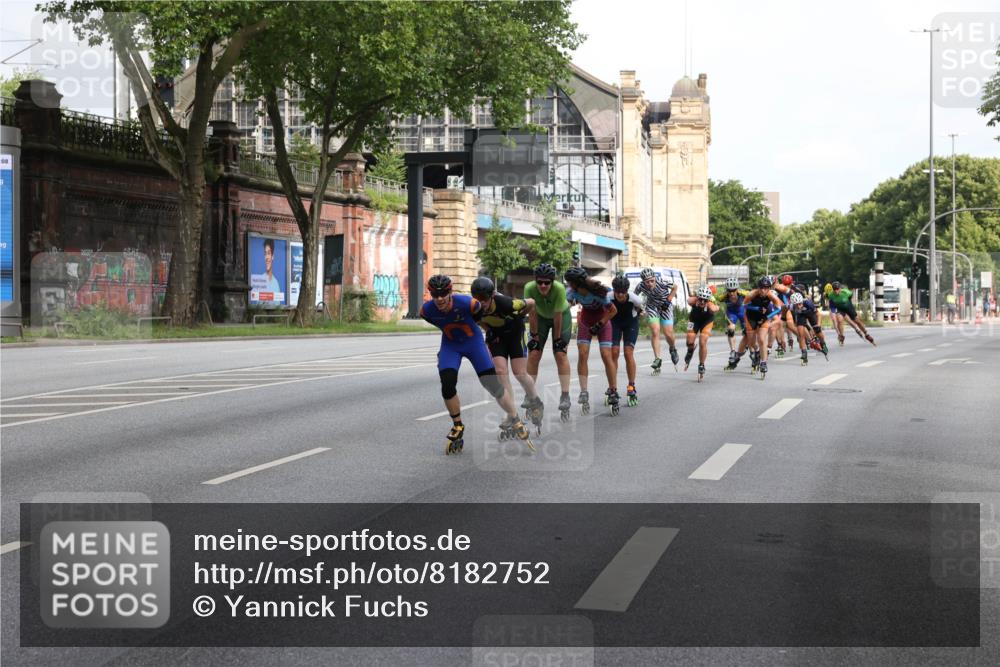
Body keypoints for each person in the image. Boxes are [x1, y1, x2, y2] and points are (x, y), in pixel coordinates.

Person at [420, 274, 532, 454]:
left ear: (450, 292)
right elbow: (441, 323)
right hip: (451, 346)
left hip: (474, 344)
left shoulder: (469, 304)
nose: (439, 299)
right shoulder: (426, 311)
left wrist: (491, 332)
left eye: (443, 294)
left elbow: (482, 319)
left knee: (493, 386)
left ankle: (515, 418)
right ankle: (457, 426)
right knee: (447, 384)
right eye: (435, 295)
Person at [471, 276, 545, 434]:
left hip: (515, 333)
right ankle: (512, 414)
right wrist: (488, 330)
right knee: (500, 372)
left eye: (484, 298)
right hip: (498, 337)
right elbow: (479, 321)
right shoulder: (475, 308)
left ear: (492, 296)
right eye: (477, 298)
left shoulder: (505, 303)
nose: (481, 302)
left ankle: (535, 401)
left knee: (520, 373)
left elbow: (531, 302)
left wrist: (520, 315)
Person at [564, 267, 618, 415]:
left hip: (603, 321)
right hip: (586, 322)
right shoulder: (571, 292)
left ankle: (613, 390)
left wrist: (600, 324)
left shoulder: (598, 292)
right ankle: (584, 391)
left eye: (569, 282)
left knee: (606, 355)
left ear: (576, 283)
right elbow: (564, 308)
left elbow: (613, 311)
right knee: (582, 354)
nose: (568, 285)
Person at [524, 263, 574, 421]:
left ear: (552, 282)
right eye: (540, 282)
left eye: (547, 282)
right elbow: (531, 313)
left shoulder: (559, 289)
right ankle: (530, 394)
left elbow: (558, 316)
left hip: (561, 317)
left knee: (560, 354)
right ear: (535, 281)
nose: (543, 285)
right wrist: (534, 336)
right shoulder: (529, 288)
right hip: (540, 318)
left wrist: (558, 339)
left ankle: (565, 395)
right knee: (533, 353)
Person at [633, 267, 679, 374]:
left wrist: (668, 300)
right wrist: (638, 309)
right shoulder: (640, 286)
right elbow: (634, 297)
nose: (649, 283)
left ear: (655, 278)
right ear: (643, 281)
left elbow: (675, 287)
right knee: (655, 331)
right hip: (652, 307)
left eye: (652, 281)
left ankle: (672, 348)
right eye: (647, 282)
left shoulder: (662, 282)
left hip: (665, 306)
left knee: (668, 333)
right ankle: (657, 359)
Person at [609, 274, 644, 406]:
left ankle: (631, 385)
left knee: (628, 353)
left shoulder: (636, 300)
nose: (620, 295)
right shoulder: (609, 297)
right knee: (614, 353)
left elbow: (640, 310)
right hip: (615, 323)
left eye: (623, 292)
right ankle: (612, 386)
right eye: (617, 292)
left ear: (627, 291)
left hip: (630, 323)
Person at [742, 276, 786, 379]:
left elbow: (778, 309)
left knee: (761, 339)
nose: (763, 290)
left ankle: (763, 362)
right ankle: (757, 351)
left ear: (769, 288)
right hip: (751, 317)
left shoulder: (772, 296)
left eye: (766, 288)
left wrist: (767, 316)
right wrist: (757, 308)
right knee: (752, 343)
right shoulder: (752, 294)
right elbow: (744, 306)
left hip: (764, 317)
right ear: (758, 287)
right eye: (761, 287)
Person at [684, 286, 719, 381]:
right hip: (694, 320)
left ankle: (701, 365)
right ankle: (690, 350)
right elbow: (688, 300)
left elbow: (716, 308)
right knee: (689, 341)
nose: (702, 302)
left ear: (708, 299)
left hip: (706, 322)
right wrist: (695, 300)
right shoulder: (693, 301)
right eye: (701, 299)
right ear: (697, 297)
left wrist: (715, 307)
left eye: (705, 300)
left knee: (702, 341)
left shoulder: (710, 305)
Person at [828, 281, 876, 346]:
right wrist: (833, 311)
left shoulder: (845, 292)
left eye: (837, 289)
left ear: (840, 288)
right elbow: (831, 304)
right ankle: (842, 336)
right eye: (834, 290)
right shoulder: (831, 295)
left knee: (857, 321)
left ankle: (866, 334)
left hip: (848, 307)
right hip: (840, 309)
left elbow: (850, 296)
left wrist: (848, 303)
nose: (836, 291)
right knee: (839, 320)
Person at [790, 291, 829, 364]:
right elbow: (795, 322)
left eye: (800, 304)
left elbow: (818, 314)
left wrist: (818, 325)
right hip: (801, 315)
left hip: (811, 314)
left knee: (818, 331)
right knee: (801, 334)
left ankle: (823, 343)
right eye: (796, 305)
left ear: (802, 301)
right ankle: (804, 353)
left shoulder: (808, 303)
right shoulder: (792, 307)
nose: (799, 306)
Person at [721, 277, 751, 372]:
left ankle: (753, 354)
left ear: (737, 289)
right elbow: (713, 300)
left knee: (748, 334)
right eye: (729, 291)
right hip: (731, 313)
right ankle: (733, 351)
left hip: (743, 312)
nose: (732, 293)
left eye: (733, 290)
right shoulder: (724, 296)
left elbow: (754, 296)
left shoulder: (743, 293)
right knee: (730, 329)